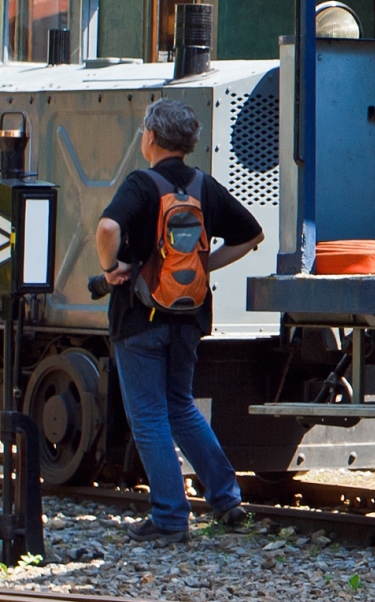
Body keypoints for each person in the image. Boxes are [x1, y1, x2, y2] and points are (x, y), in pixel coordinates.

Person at [95, 98, 264, 544]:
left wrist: (111, 267)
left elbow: (108, 228)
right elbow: (252, 234)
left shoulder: (141, 182)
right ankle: (226, 498)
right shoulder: (203, 185)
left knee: (149, 415)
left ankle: (170, 517)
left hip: (140, 319)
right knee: (180, 405)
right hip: (189, 315)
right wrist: (204, 266)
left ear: (151, 137)